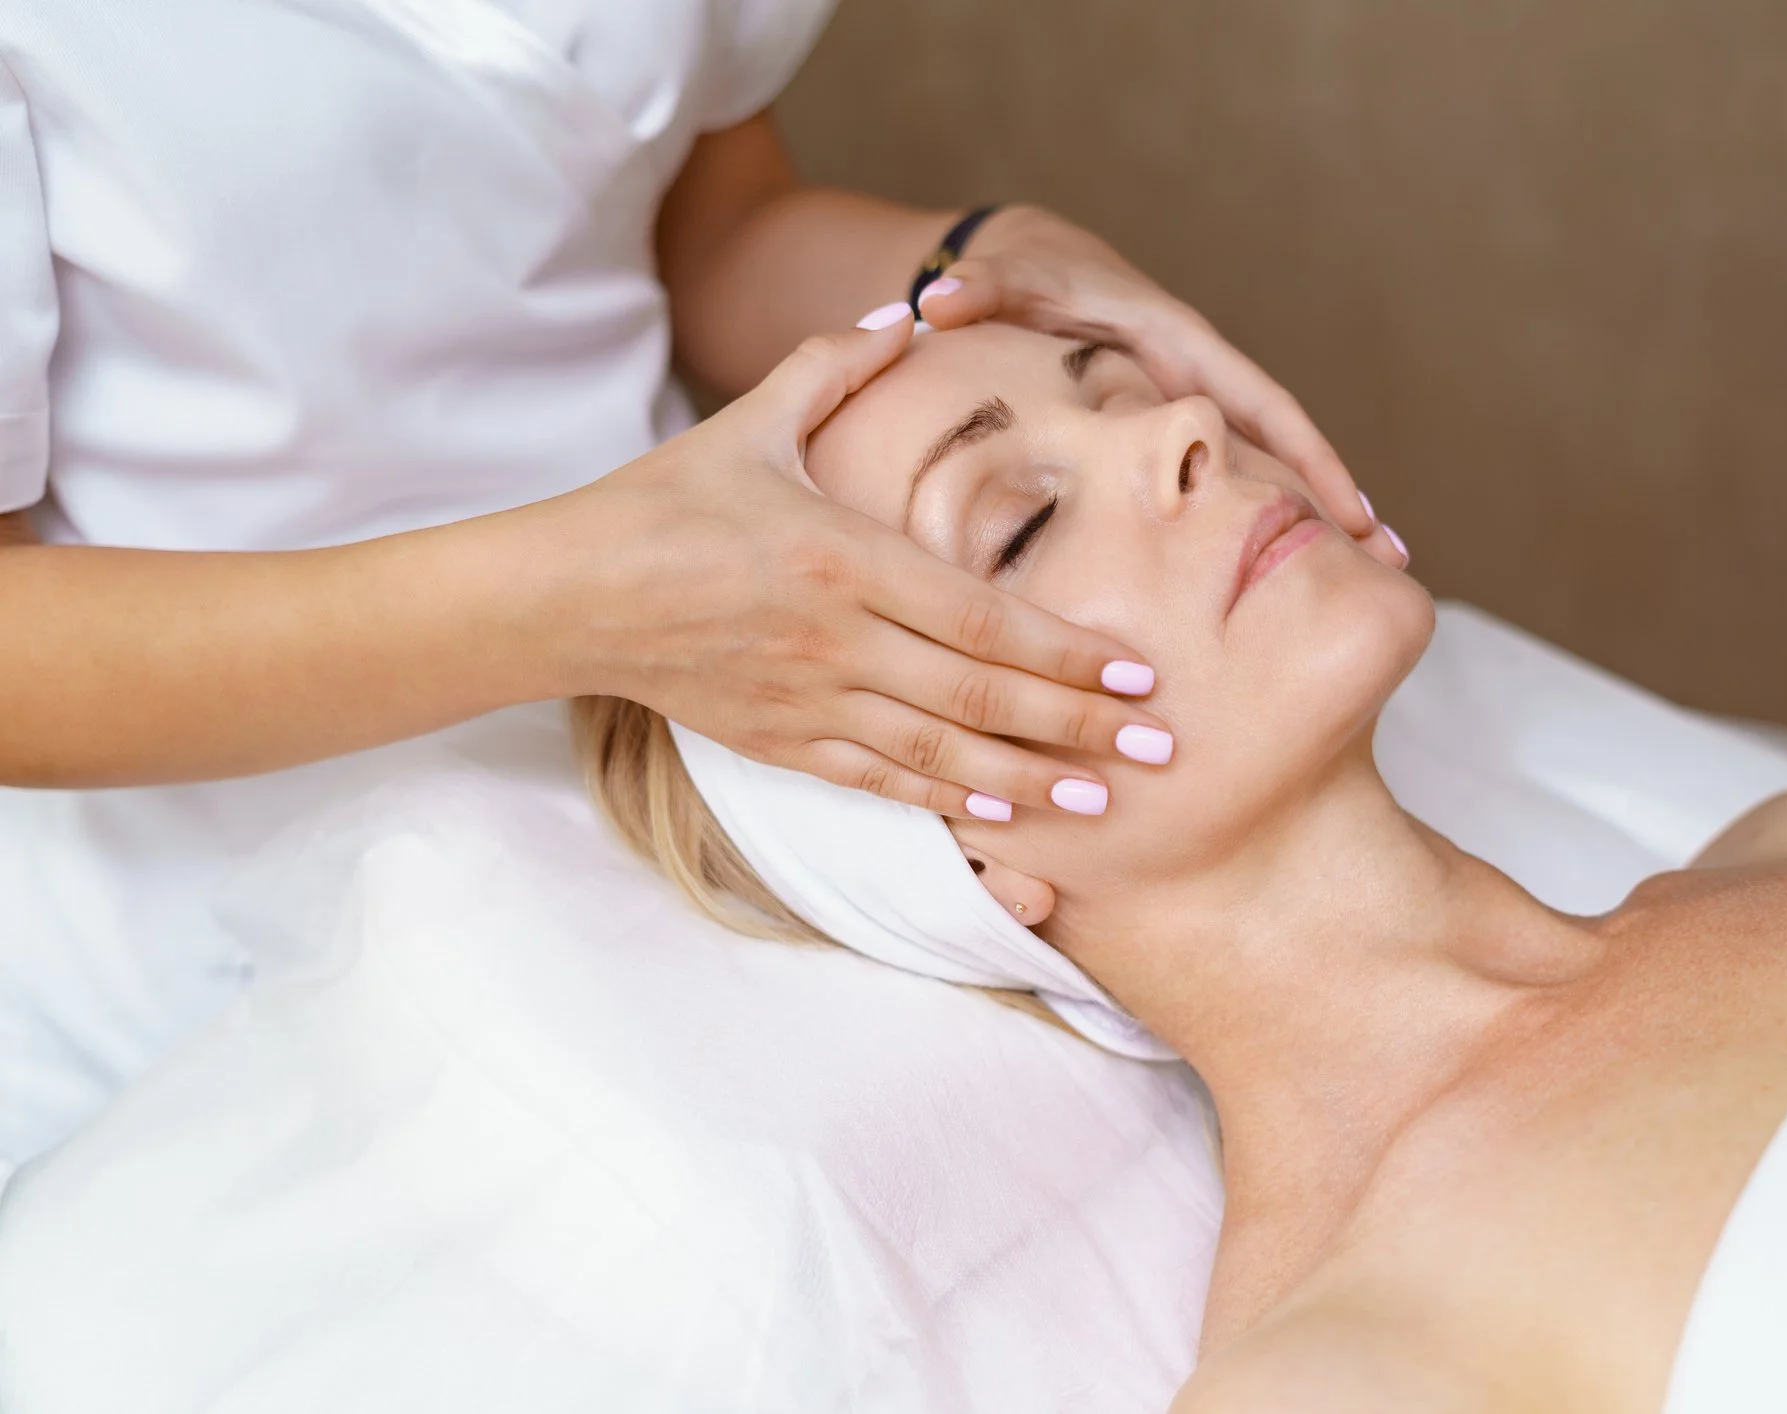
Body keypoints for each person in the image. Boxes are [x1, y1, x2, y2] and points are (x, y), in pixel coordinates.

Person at [575, 317, 1787, 1411]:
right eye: (1023, 521)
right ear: (962, 853)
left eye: (1118, 388)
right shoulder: (1342, 1370)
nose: (1183, 430)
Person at [0, 2, 1399, 1164]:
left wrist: (976, 262)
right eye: (1021, 528)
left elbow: (710, 225)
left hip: (729, 732)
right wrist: (584, 600)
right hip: (195, 916)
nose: (1180, 434)